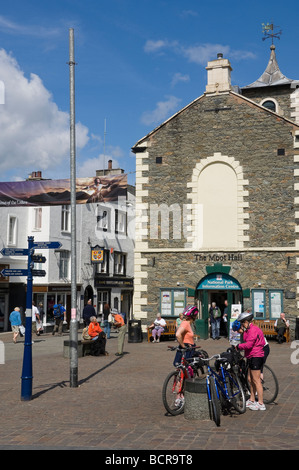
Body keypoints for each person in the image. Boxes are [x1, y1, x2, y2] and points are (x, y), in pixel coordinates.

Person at [232, 311, 266, 411]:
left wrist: (238, 347)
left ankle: (260, 403)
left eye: (242, 323)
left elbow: (249, 345)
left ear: (246, 322)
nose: (242, 326)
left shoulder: (253, 330)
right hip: (251, 356)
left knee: (256, 380)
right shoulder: (248, 330)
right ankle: (252, 400)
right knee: (250, 379)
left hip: (256, 356)